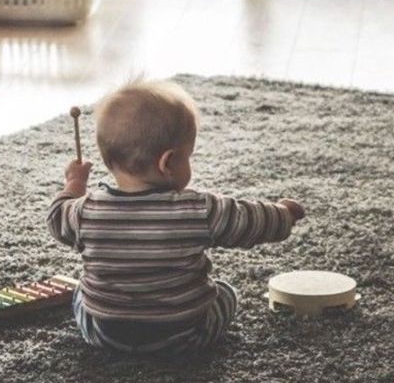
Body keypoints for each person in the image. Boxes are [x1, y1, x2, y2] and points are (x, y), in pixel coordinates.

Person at [48, 79, 305, 356]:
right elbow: (250, 221)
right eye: (188, 157)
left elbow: (56, 218)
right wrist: (284, 214)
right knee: (226, 293)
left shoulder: (85, 211)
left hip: (105, 334)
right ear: (167, 162)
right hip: (184, 336)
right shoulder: (198, 210)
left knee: (80, 293)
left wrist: (74, 184)